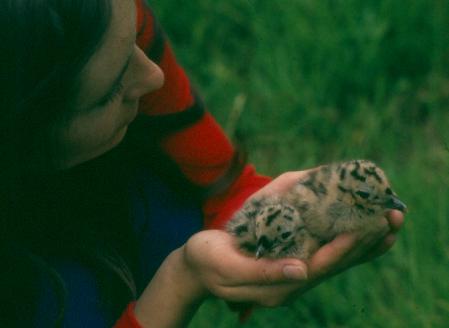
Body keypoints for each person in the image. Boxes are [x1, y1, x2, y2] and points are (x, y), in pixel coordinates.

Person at [0, 0, 405, 327]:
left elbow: (221, 184)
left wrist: (287, 217)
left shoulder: (102, 18)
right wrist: (180, 282)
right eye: (108, 92)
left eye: (137, 34)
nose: (155, 76)